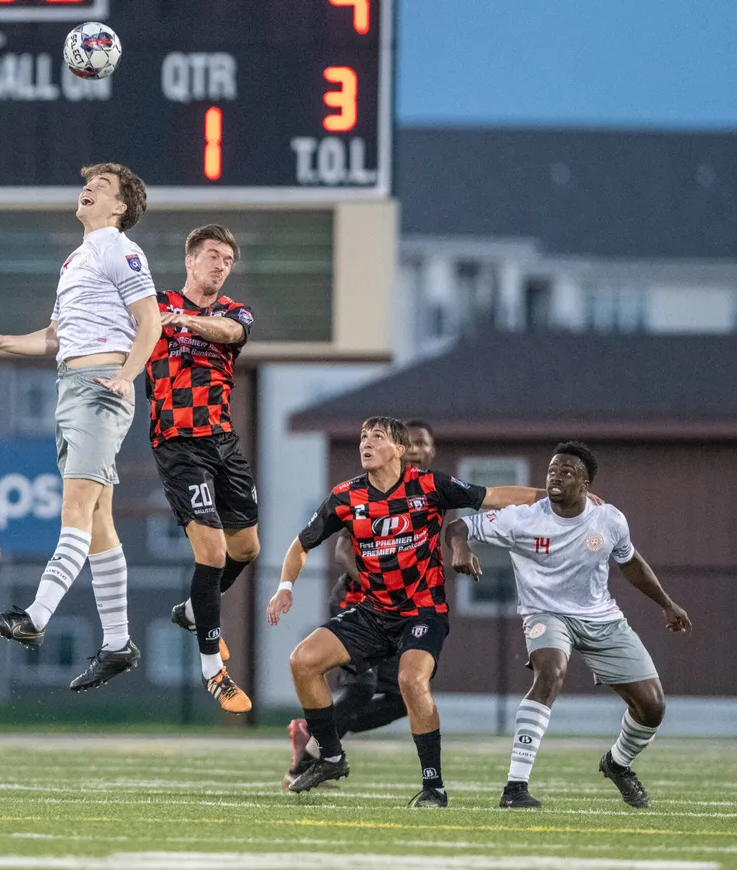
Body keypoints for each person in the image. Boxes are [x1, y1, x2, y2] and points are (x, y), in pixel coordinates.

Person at [267, 416, 544, 807]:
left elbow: (494, 495)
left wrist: (550, 495)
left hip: (422, 611)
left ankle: (434, 787)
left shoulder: (429, 485)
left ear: (399, 449)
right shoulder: (346, 496)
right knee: (302, 661)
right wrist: (284, 588)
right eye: (363, 436)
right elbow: (301, 544)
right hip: (373, 611)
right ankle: (330, 755)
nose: (365, 443)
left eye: (376, 437)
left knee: (410, 683)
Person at [0, 162, 161, 691]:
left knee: (75, 508)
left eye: (101, 186)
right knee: (98, 519)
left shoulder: (119, 248)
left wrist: (125, 377)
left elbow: (151, 320)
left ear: (119, 207)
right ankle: (118, 644)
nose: (89, 189)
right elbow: (57, 336)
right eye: (88, 183)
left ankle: (36, 618)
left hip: (101, 386)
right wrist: (5, 341)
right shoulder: (77, 257)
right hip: (72, 388)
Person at [445, 441, 690, 809]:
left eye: (567, 472)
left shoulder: (610, 519)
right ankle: (515, 788)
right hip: (545, 613)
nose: (556, 477)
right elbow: (458, 525)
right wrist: (461, 549)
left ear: (586, 483)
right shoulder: (523, 517)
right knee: (550, 672)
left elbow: (630, 563)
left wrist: (666, 603)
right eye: (552, 470)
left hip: (600, 616)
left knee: (653, 707)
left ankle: (618, 764)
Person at [147, 224, 259, 714]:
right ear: (190, 260)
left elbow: (233, 333)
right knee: (211, 553)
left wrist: (185, 323)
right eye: (212, 256)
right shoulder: (153, 302)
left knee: (247, 548)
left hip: (223, 441)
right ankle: (213, 669)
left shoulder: (232, 312)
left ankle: (193, 610)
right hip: (178, 443)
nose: (220, 265)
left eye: (227, 259)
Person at [288, 421, 436, 773]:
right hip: (359, 603)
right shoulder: (373, 487)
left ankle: (315, 734)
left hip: (402, 612)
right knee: (360, 688)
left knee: (403, 698)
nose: (416, 449)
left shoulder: (430, 490)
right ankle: (309, 760)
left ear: (432, 450)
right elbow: (342, 549)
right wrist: (377, 584)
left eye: (423, 444)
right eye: (410, 443)